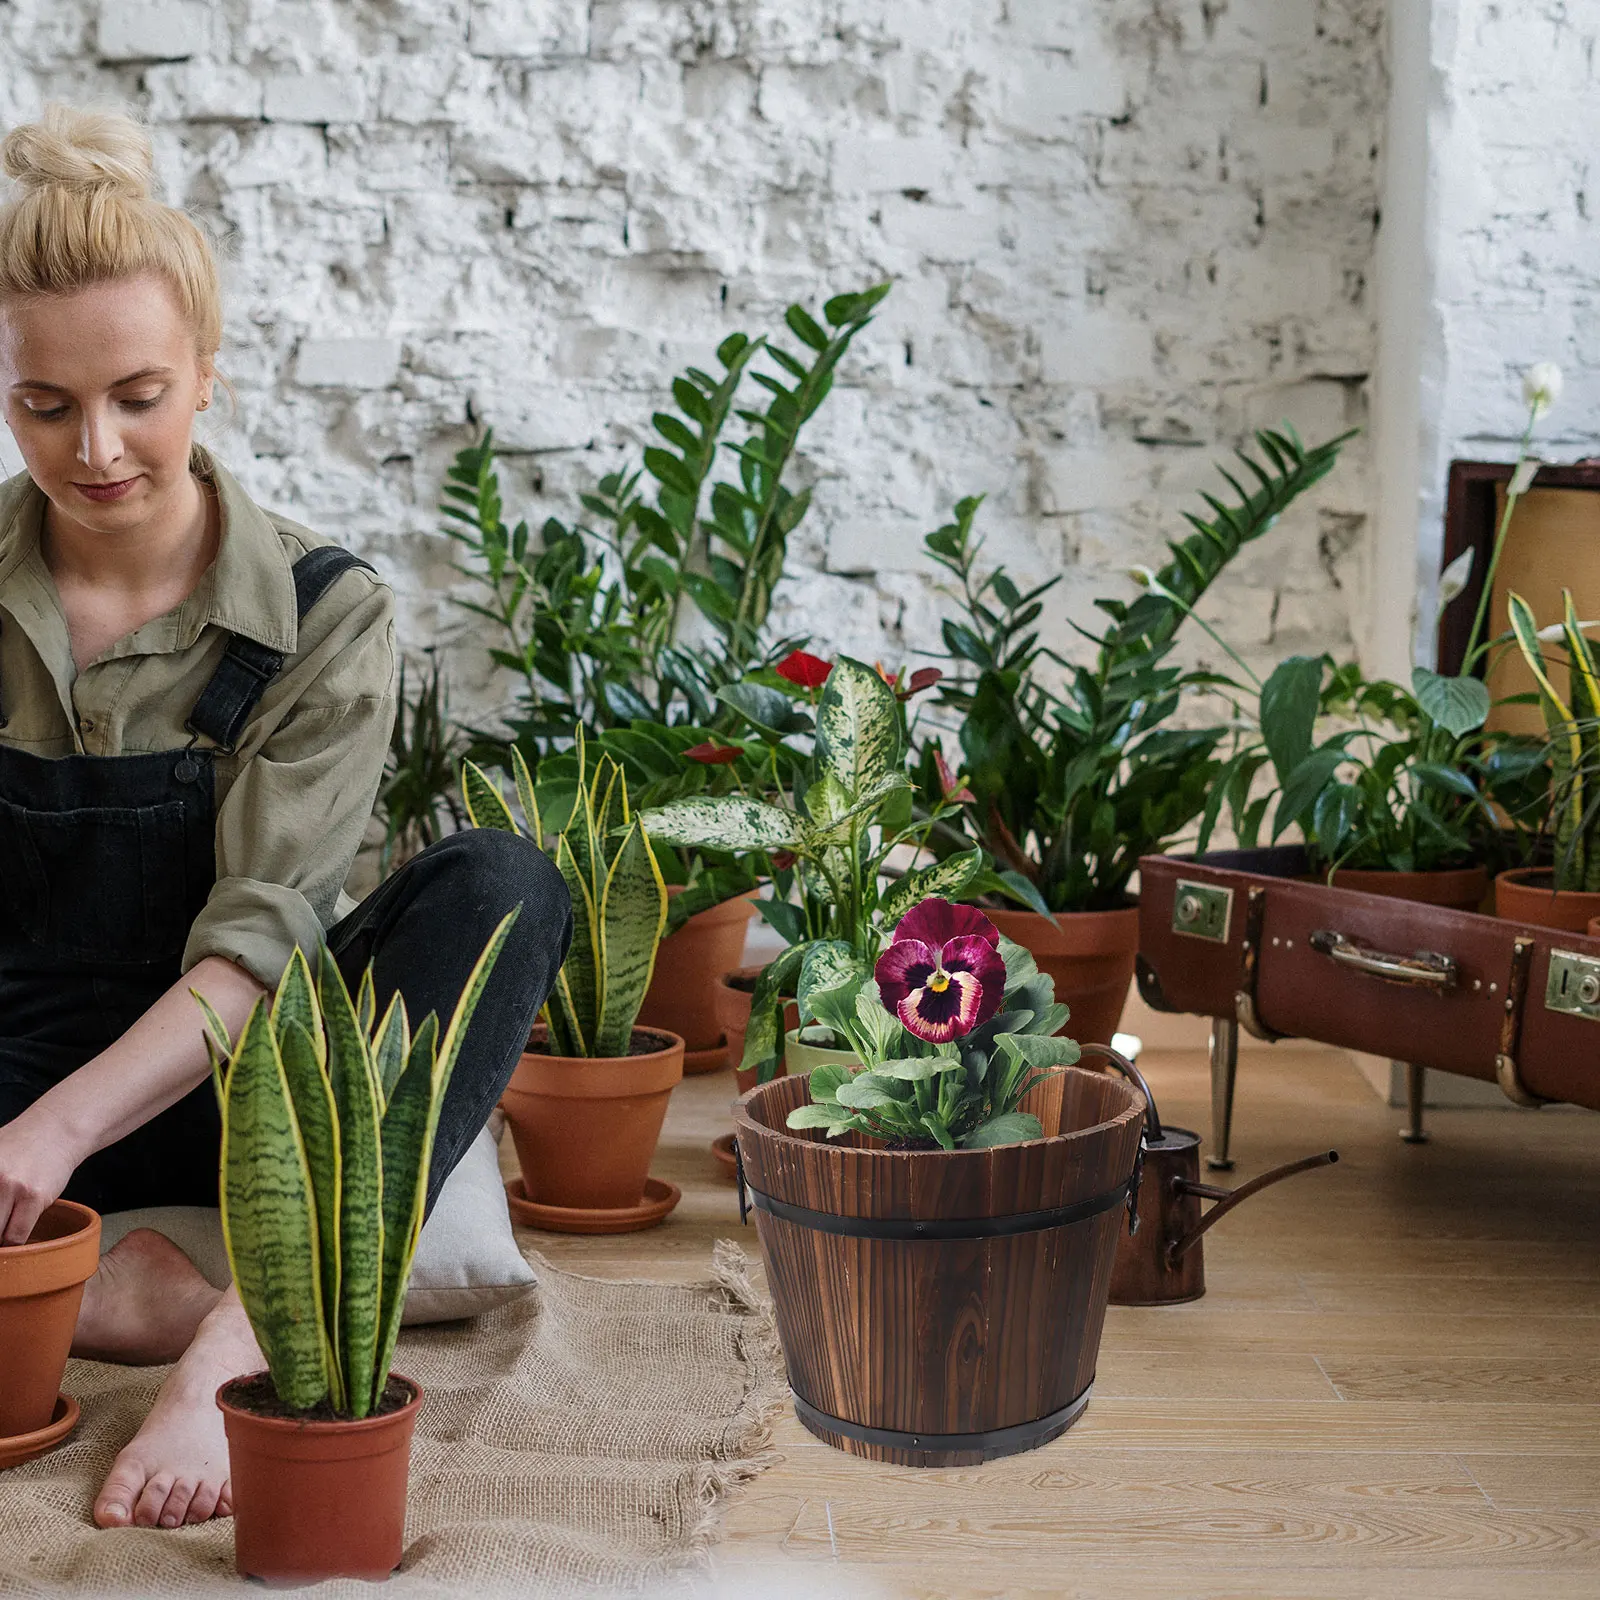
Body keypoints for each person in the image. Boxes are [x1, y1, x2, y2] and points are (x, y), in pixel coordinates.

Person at [0, 105, 571, 1530]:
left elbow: (259, 950)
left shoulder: (323, 614)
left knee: (505, 885)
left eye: (139, 395)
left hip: (240, 1098)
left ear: (207, 375)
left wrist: (55, 1136)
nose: (96, 448)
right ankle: (104, 1293)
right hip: (11, 1090)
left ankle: (236, 1335)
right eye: (46, 406)